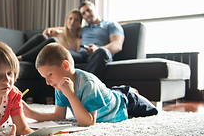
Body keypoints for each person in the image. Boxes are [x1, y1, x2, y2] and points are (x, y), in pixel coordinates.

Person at [22, 43, 158, 126]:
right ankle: (120, 89)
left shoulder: (88, 84)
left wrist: (71, 95)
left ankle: (130, 92)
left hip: (124, 102)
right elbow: (59, 116)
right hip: (106, 95)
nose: (47, 82)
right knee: (110, 92)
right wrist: (30, 113)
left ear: (65, 65)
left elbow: (88, 122)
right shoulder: (59, 85)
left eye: (49, 75)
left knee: (153, 112)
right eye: (44, 77)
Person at [48, 1, 125, 80]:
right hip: (82, 54)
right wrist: (51, 29)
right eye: (83, 13)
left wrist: (97, 49)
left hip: (99, 54)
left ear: (95, 8)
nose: (87, 14)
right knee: (59, 52)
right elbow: (69, 27)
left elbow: (117, 45)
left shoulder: (111, 25)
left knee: (102, 51)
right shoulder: (84, 28)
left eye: (89, 10)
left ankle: (87, 86)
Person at [16, 9, 83, 62]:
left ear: (80, 23)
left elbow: (75, 56)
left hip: (53, 58)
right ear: (67, 19)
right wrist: (49, 29)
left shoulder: (78, 40)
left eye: (76, 20)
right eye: (70, 18)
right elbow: (44, 36)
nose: (72, 22)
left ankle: (21, 58)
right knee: (41, 37)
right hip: (39, 54)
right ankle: (13, 56)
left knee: (53, 40)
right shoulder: (58, 32)